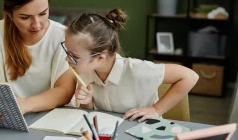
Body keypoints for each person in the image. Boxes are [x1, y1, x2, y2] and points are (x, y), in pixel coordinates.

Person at [0, 0, 76, 127]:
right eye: (25, 17)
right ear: (9, 14)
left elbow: (65, 91)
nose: (36, 24)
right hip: (8, 120)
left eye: (43, 13)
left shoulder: (63, 36)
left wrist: (23, 105)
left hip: (51, 120)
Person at [62, 8, 199, 122]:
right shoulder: (84, 70)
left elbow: (190, 76)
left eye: (74, 56)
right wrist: (87, 102)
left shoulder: (138, 70)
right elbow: (94, 115)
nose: (67, 58)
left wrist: (157, 109)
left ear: (100, 58)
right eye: (67, 51)